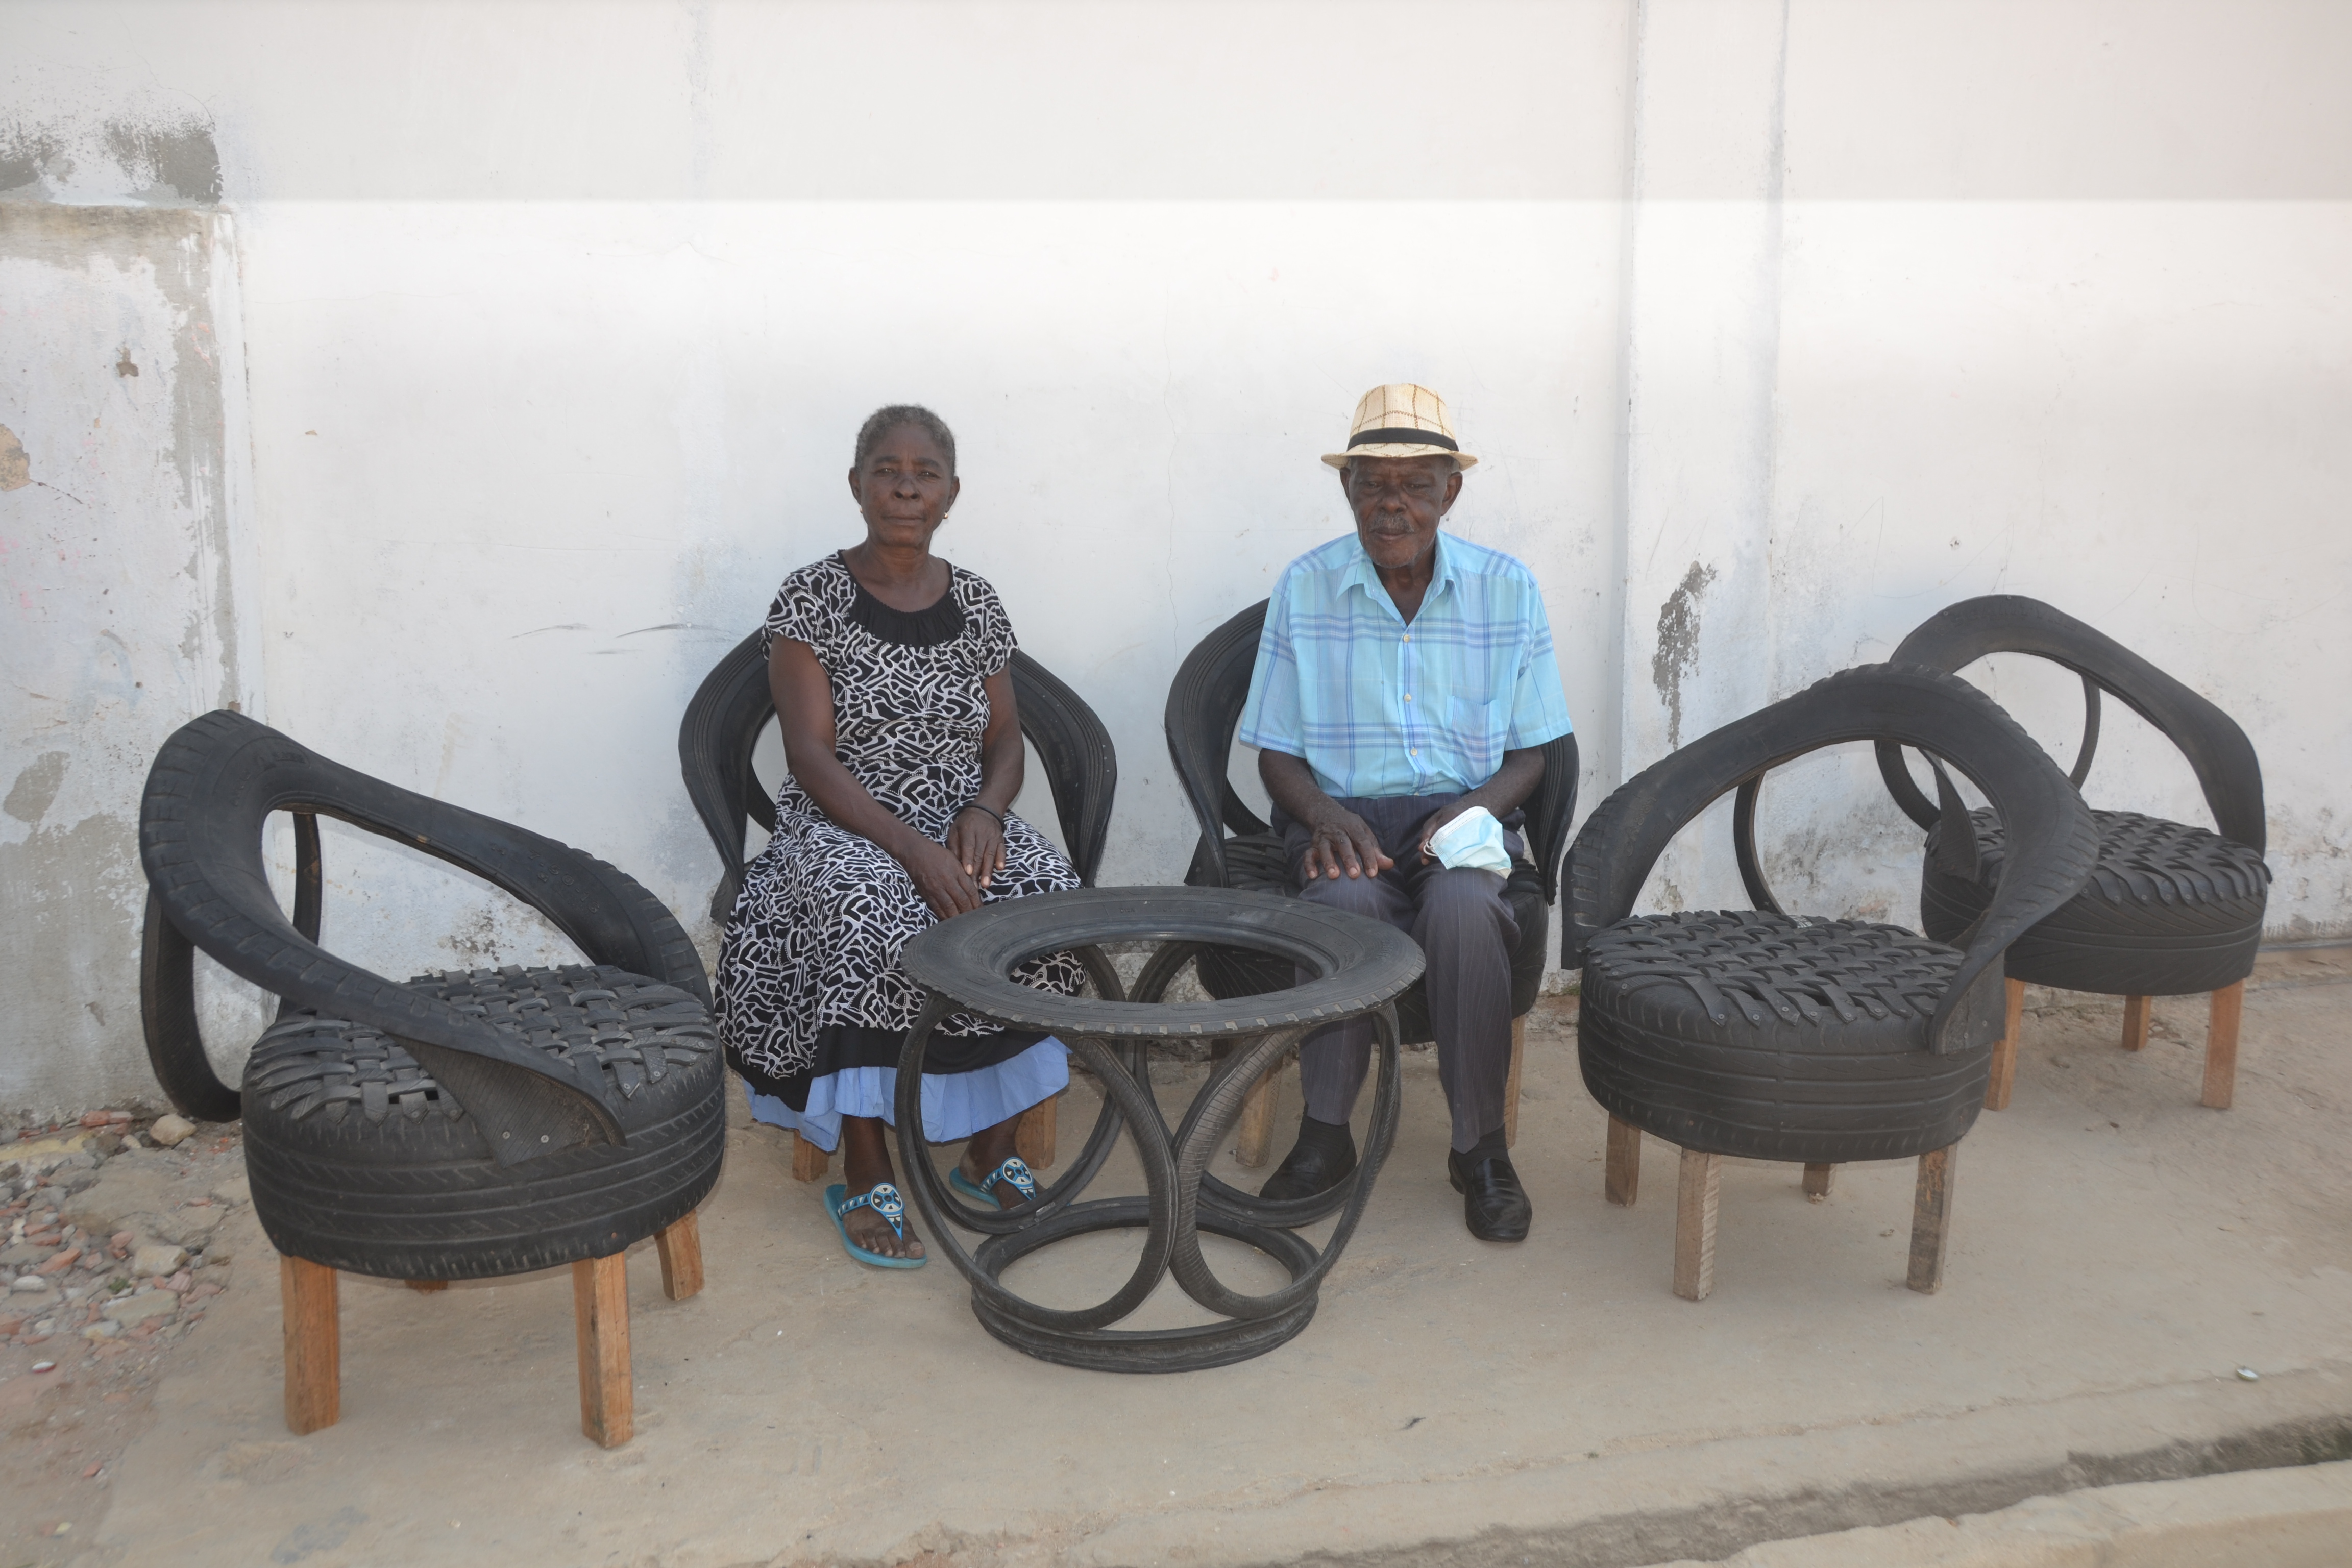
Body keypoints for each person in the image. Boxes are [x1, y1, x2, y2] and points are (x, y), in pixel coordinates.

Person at [714, 405, 1082, 1267]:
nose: (907, 487)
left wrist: (985, 812)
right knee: (869, 908)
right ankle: (866, 1164)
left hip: (958, 811)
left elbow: (1006, 737)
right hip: (843, 818)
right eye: (888, 470)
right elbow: (809, 755)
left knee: (1044, 898)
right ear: (857, 485)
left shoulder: (976, 598)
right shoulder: (811, 595)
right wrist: (911, 850)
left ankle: (990, 1148)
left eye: (925, 474)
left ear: (952, 493)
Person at [1237, 384, 1573, 1243]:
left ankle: (1480, 1149)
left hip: (1462, 817)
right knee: (1345, 904)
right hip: (1340, 817)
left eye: (1416, 486)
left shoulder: (1507, 589)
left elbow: (1533, 752)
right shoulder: (1306, 586)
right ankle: (1326, 1136)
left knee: (1465, 907)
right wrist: (1322, 815)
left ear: (1449, 493)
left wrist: (1474, 811)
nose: (1394, 505)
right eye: (1373, 484)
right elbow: (1275, 750)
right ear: (1346, 489)